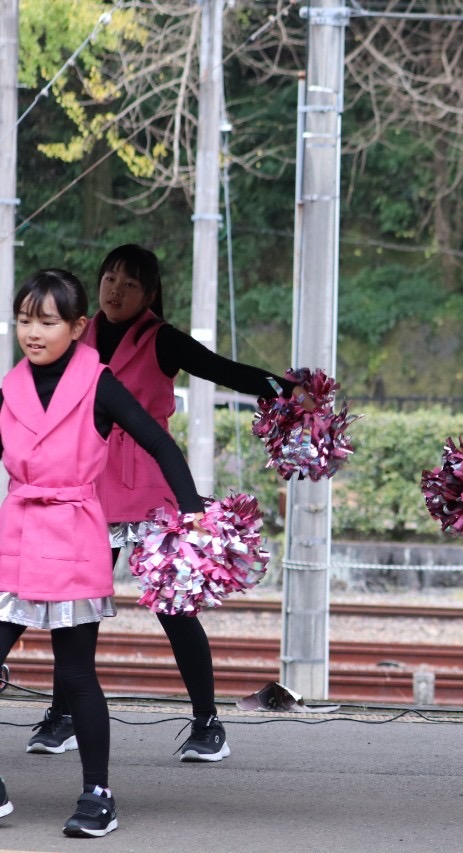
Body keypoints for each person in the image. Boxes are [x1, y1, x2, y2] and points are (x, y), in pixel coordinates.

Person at [26, 245, 303, 763]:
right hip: (88, 484)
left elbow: (226, 371)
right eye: (109, 278)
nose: (115, 290)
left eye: (129, 284)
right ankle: (62, 716)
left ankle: (207, 724)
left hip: (154, 486)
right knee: (72, 605)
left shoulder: (161, 339)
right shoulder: (77, 335)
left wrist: (285, 390)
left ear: (149, 294)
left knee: (176, 611)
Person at [0, 269, 204, 837]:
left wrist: (190, 511)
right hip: (15, 534)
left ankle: (98, 795)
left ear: (77, 326)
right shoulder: (8, 388)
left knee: (77, 673)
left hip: (72, 532)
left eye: (47, 321)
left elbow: (160, 441)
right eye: (24, 320)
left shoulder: (100, 382)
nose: (33, 332)